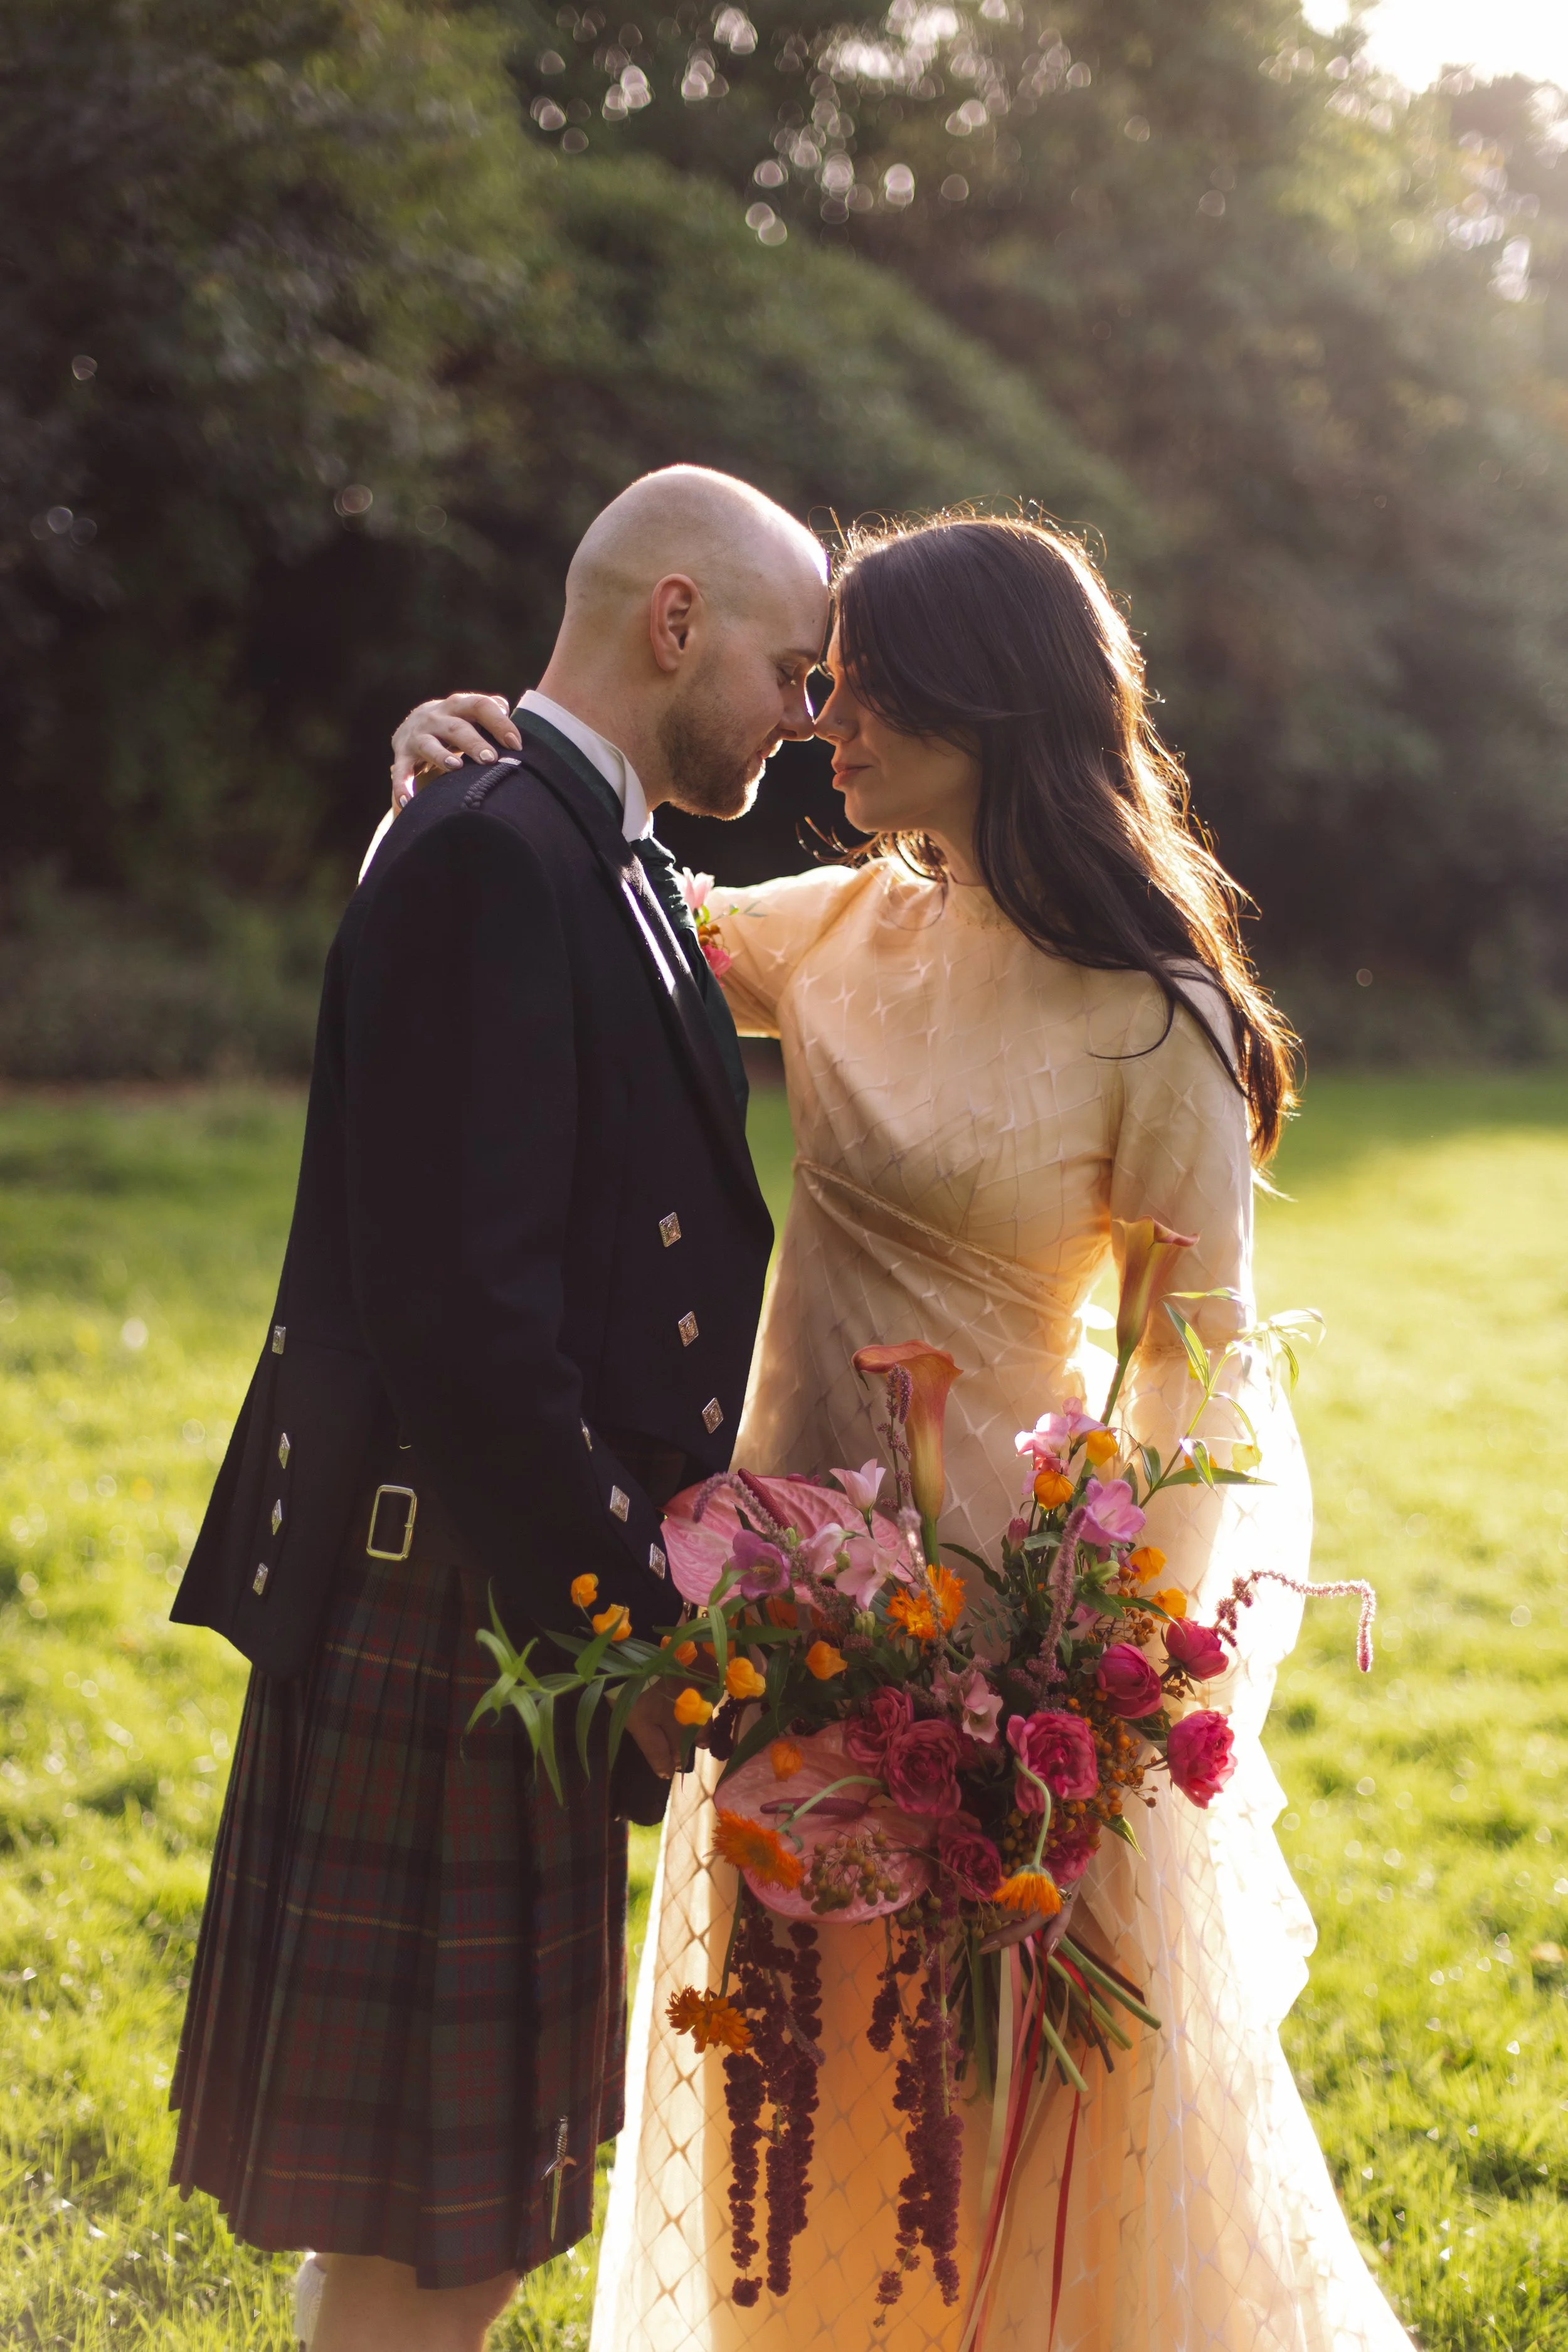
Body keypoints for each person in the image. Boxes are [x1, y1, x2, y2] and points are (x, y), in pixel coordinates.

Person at [395, 515, 1408, 2349]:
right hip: (774, 1623)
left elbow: (1193, 1377)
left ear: (986, 706)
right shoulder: (843, 930)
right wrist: (468, 759)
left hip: (1005, 1657)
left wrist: (1090, 1687)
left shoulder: (1152, 1018)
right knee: (802, 2118)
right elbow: (580, 912)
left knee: (1003, 2131)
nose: (823, 723)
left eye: (862, 693)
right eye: (824, 685)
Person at [167, 465, 829, 2352]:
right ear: (675, 622)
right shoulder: (490, 845)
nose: (801, 721)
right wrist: (640, 1616)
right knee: (437, 2227)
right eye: (791, 674)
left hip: (504, 1585)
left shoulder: (593, 848)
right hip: (469, 1586)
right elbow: (461, 1322)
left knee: (441, 2216)